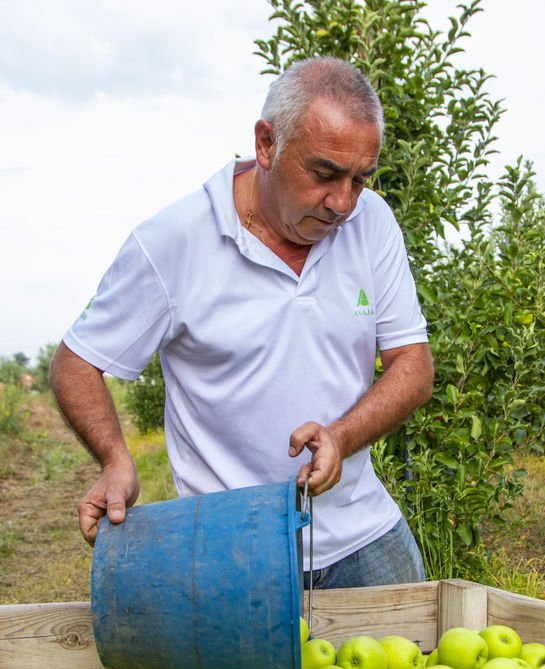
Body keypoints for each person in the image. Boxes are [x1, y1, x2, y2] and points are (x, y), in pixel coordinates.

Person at [49, 56, 434, 589]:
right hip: (235, 555)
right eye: (324, 174)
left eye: (360, 179)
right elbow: (75, 362)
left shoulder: (373, 223)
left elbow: (412, 365)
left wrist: (342, 437)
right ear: (266, 144)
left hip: (364, 538)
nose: (343, 202)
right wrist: (115, 459)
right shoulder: (175, 241)